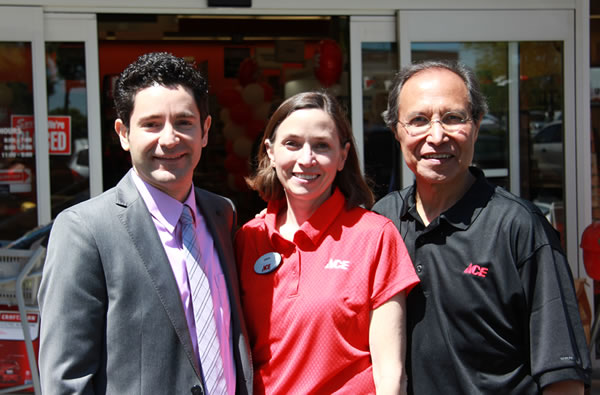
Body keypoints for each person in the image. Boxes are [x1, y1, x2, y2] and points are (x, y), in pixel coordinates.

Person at [38, 52, 252, 394]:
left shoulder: (222, 214)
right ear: (123, 133)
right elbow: (66, 380)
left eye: (184, 122)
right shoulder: (84, 230)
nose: (169, 139)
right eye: (151, 124)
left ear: (205, 130)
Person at [373, 60, 591, 394]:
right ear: (396, 131)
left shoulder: (519, 227)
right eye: (418, 120)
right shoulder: (382, 220)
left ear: (476, 125)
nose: (436, 135)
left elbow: (563, 377)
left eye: (453, 118)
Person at [235, 91, 420, 394]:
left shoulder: (374, 236)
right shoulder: (249, 238)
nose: (306, 159)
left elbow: (391, 373)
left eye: (321, 145)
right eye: (292, 143)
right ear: (270, 151)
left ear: (342, 155)